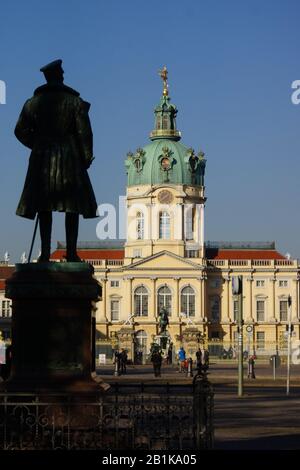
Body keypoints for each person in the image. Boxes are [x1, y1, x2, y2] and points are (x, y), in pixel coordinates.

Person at [15, 59, 98, 262]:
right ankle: (71, 252)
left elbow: (19, 131)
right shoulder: (75, 102)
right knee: (73, 206)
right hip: (70, 157)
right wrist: (86, 156)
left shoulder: (32, 103)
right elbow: (84, 133)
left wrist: (37, 144)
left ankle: (44, 253)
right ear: (59, 76)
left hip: (42, 158)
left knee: (44, 205)